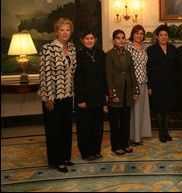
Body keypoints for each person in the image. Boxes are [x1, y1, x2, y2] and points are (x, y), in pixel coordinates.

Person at [38, 17, 76, 173]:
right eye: (62, 30)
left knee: (66, 128)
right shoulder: (48, 48)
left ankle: (66, 157)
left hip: (67, 94)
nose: (65, 33)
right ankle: (57, 160)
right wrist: (48, 97)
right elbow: (44, 74)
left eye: (68, 29)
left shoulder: (72, 48)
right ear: (56, 31)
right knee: (55, 129)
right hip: (52, 97)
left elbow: (72, 72)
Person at [74, 30, 108, 161]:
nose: (89, 40)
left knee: (97, 126)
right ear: (82, 40)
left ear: (96, 39)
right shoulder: (78, 56)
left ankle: (96, 150)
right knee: (85, 127)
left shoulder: (100, 54)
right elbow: (77, 79)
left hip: (98, 96)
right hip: (84, 97)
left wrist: (105, 93)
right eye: (86, 38)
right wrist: (80, 99)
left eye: (91, 38)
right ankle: (86, 152)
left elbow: (104, 76)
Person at [105, 29, 140, 156]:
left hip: (127, 92)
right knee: (115, 122)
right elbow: (108, 76)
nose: (121, 40)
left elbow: (132, 73)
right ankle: (116, 145)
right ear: (114, 40)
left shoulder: (128, 54)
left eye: (123, 38)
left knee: (125, 121)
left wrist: (135, 90)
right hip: (116, 92)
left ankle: (125, 143)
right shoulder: (109, 55)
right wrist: (112, 94)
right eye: (118, 38)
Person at [147, 25, 177, 143]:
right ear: (157, 37)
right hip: (157, 84)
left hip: (170, 84)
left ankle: (166, 131)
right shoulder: (151, 49)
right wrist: (149, 86)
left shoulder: (173, 49)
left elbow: (175, 68)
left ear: (168, 37)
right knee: (159, 109)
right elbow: (148, 69)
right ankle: (161, 132)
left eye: (165, 35)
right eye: (161, 35)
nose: (163, 37)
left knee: (168, 109)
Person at [125, 25, 152, 146]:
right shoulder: (127, 47)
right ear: (132, 34)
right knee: (132, 112)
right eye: (137, 33)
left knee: (141, 111)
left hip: (143, 82)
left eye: (141, 33)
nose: (139, 35)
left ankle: (138, 136)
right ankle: (131, 137)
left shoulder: (146, 48)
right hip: (132, 83)